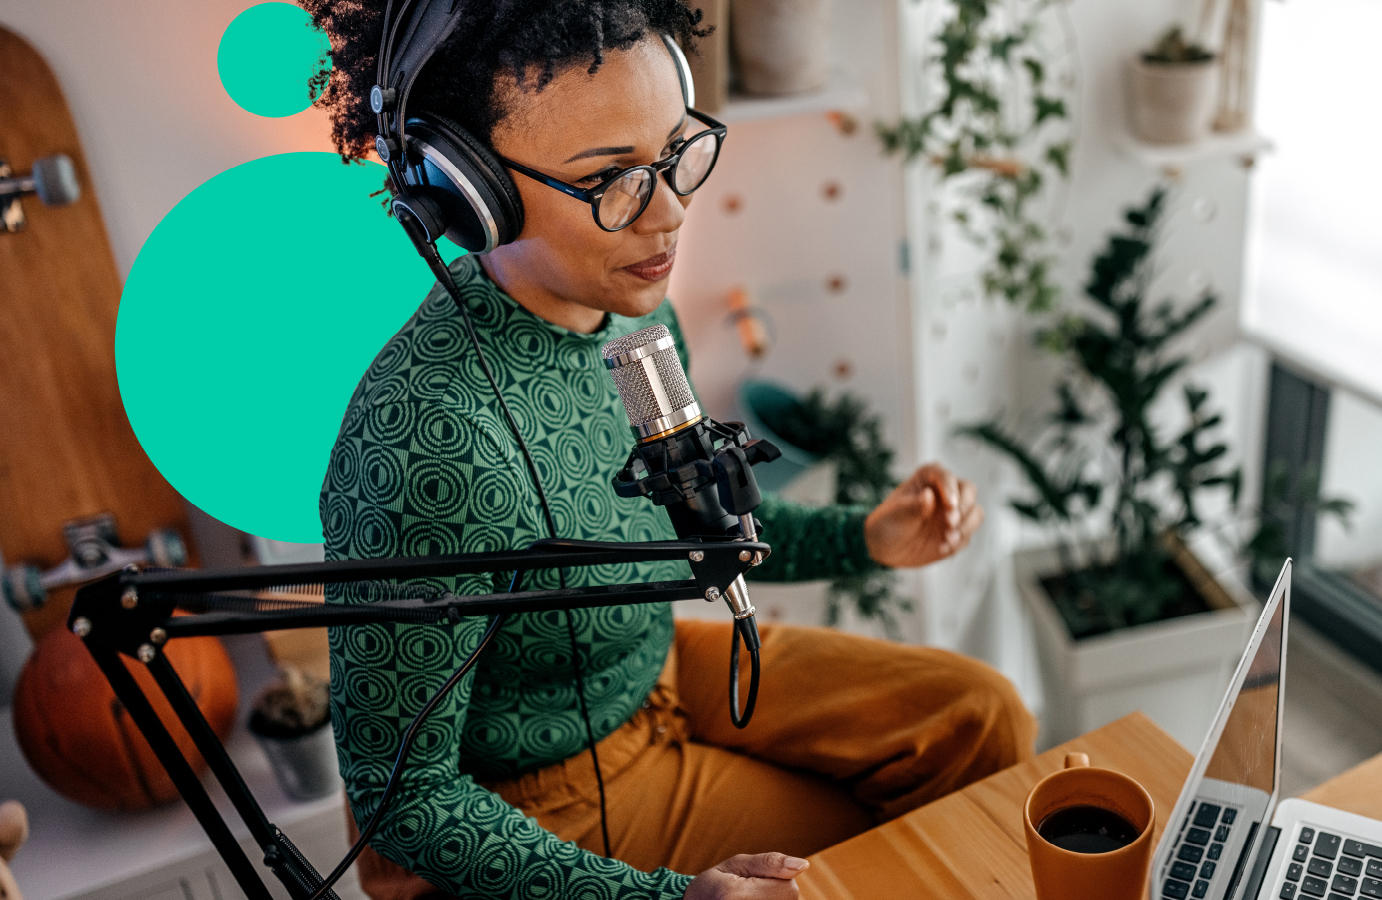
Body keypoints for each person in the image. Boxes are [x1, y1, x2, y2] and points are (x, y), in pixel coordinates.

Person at [305, 2, 1036, 899]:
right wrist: (666, 899)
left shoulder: (631, 313)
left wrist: (865, 537)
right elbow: (400, 800)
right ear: (472, 191)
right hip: (548, 792)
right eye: (613, 179)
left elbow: (701, 518)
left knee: (981, 717)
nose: (673, 210)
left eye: (674, 154)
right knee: (857, 875)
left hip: (653, 673)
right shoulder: (430, 443)